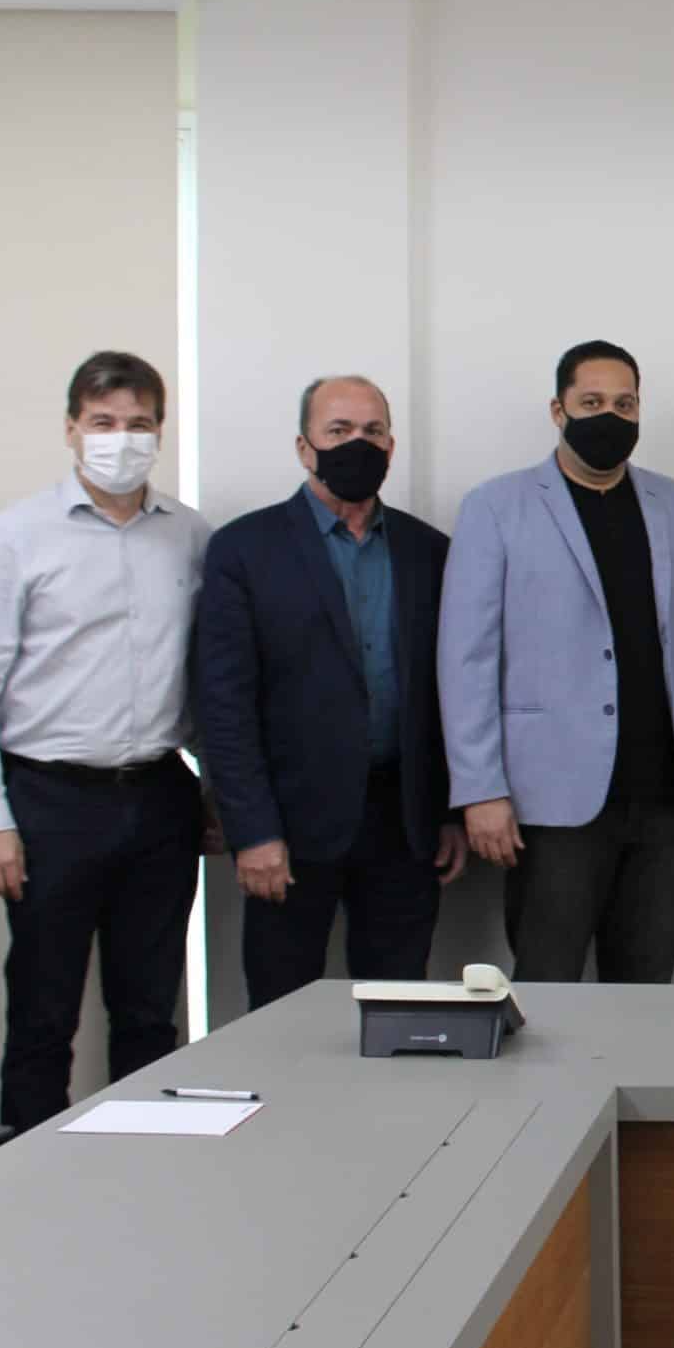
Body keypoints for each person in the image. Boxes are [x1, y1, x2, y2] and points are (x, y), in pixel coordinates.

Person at [0, 351, 210, 1130]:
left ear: (160, 432)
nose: (122, 439)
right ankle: (26, 1178)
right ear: (71, 429)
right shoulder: (17, 536)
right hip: (49, 800)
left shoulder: (190, 536)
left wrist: (218, 791)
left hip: (158, 796)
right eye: (103, 423)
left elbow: (206, 679)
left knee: (150, 1013)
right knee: (43, 1015)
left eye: (138, 424)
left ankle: (146, 1171)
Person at [439, 340, 674, 983]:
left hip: (666, 798)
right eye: (592, 402)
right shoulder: (496, 507)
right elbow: (466, 660)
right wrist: (480, 789)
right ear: (559, 410)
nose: (610, 416)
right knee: (549, 986)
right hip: (551, 803)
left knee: (645, 989)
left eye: (624, 404)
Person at [194, 376, 465, 1010]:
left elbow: (448, 690)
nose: (357, 444)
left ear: (391, 446)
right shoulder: (244, 549)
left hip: (404, 824)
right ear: (304, 446)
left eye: (372, 432)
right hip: (287, 828)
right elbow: (224, 704)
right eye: (338, 431)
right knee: (283, 1018)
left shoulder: (429, 551)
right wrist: (252, 831)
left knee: (399, 1012)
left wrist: (450, 809)